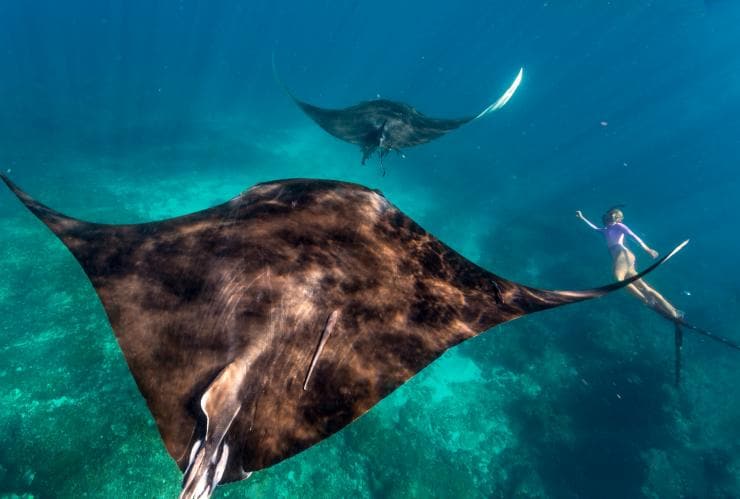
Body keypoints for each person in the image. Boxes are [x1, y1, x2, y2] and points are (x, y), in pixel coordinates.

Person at [576, 207, 682, 319]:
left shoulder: (618, 226)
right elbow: (594, 228)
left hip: (623, 254)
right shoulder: (605, 230)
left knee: (619, 279)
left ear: (618, 219)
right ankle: (673, 311)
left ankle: (646, 300)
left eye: (614, 216)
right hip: (624, 257)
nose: (611, 217)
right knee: (644, 287)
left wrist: (647, 249)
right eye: (610, 215)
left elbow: (633, 236)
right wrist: (582, 217)